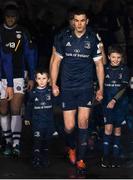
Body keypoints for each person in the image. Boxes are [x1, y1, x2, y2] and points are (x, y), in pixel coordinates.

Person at [50, 8, 104, 174]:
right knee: (69, 126)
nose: (79, 24)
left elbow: (99, 65)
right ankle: (71, 146)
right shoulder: (63, 37)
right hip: (68, 87)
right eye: (77, 20)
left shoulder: (93, 38)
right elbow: (55, 63)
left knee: (83, 123)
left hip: (85, 87)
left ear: (87, 22)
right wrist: (53, 84)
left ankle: (81, 159)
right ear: (73, 21)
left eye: (83, 20)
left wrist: (101, 87)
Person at [0, 2, 36, 158]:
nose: (10, 19)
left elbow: (30, 54)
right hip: (1, 76)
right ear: (4, 17)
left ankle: (15, 144)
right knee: (3, 110)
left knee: (15, 109)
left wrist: (32, 76)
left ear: (17, 17)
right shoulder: (0, 31)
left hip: (18, 75)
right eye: (7, 16)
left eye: (13, 16)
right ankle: (7, 141)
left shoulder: (23, 32)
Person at [101, 45, 129, 168]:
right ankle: (106, 157)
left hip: (120, 104)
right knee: (108, 129)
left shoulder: (125, 69)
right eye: (113, 57)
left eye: (118, 57)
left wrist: (114, 100)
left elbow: (123, 87)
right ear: (109, 57)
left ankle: (115, 157)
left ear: (121, 58)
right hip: (107, 104)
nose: (116, 60)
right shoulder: (104, 68)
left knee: (117, 130)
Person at [24, 68, 55, 168]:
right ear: (36, 79)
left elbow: (57, 104)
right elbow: (29, 106)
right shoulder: (32, 93)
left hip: (48, 122)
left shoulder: (51, 91)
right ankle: (36, 158)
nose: (42, 81)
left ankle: (45, 158)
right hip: (37, 122)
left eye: (44, 78)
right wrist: (27, 118)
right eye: (39, 78)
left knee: (46, 141)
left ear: (49, 79)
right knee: (37, 140)